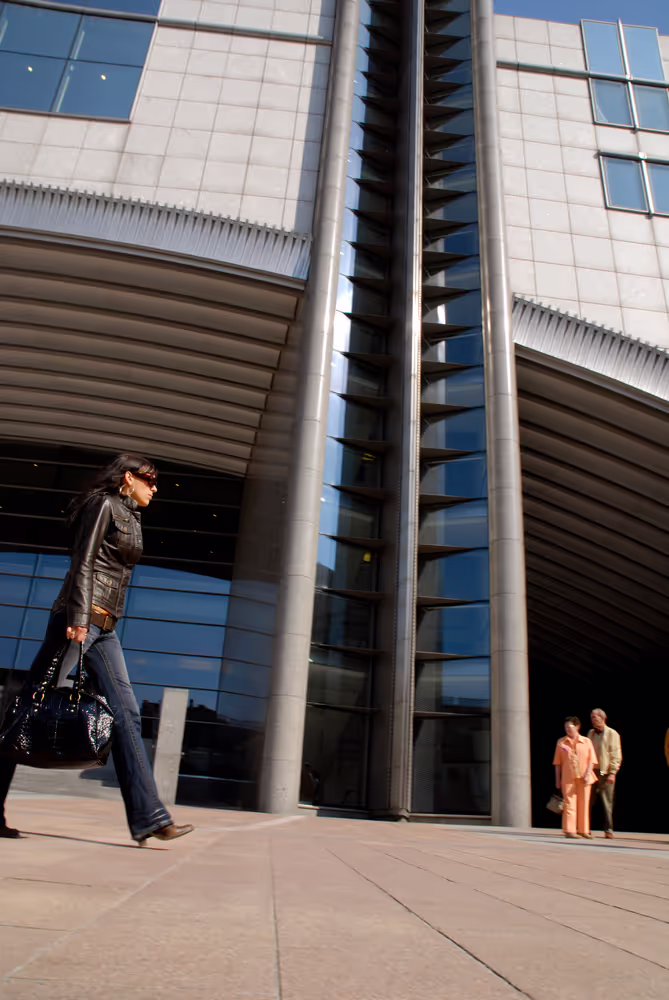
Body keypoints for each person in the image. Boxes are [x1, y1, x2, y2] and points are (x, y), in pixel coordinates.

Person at [0, 454, 194, 847]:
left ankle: (150, 818)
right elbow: (83, 561)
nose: (155, 488)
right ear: (129, 477)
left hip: (105, 628)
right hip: (80, 620)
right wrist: (78, 617)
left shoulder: (132, 515)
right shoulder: (103, 504)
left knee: (127, 715)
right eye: (150, 480)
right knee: (27, 712)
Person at [553, 716, 598, 839]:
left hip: (584, 777)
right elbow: (557, 763)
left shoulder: (586, 741)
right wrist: (557, 780)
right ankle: (570, 830)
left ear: (577, 727)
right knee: (569, 803)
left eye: (570, 727)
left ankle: (584, 830)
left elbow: (592, 760)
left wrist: (587, 774)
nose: (567, 729)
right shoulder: (561, 742)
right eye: (566, 727)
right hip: (568, 778)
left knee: (584, 803)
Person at [588, 708, 622, 839]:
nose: (592, 720)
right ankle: (585, 827)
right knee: (588, 800)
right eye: (591, 717)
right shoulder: (591, 733)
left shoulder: (612, 734)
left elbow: (616, 754)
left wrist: (613, 772)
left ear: (602, 718)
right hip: (592, 771)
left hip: (606, 771)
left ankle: (608, 829)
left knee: (607, 802)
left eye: (594, 717)